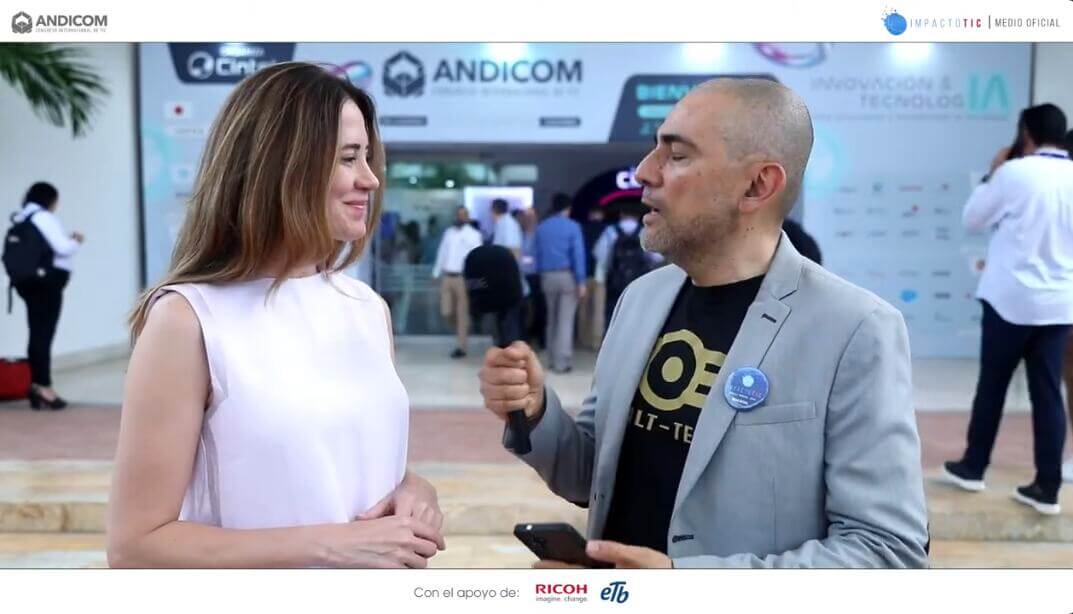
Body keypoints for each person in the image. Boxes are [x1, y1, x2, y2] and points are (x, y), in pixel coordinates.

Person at [478, 78, 928, 568]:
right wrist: (536, 412)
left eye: (677, 155)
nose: (643, 172)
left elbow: (887, 551)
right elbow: (592, 477)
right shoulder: (641, 300)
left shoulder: (855, 329)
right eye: (655, 149)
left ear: (757, 185)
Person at [107, 62, 445, 568]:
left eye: (368, 158)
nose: (370, 179)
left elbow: (339, 461)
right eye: (348, 158)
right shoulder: (188, 320)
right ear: (282, 166)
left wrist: (414, 489)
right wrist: (333, 545)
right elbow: (136, 546)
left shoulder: (366, 309)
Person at [943, 104, 1073, 513]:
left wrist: (993, 172)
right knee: (1048, 394)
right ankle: (1047, 487)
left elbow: (972, 218)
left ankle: (973, 468)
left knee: (993, 386)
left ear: (1026, 133)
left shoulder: (1014, 172)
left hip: (1009, 300)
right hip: (1059, 305)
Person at [9, 182, 84, 410]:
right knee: (43, 334)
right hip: (47, 284)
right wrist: (75, 241)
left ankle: (36, 385)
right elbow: (62, 248)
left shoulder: (22, 217)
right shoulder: (43, 217)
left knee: (37, 332)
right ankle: (43, 387)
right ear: (50, 199)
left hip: (28, 283)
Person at [533, 194, 586, 374]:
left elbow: (536, 253)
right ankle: (562, 362)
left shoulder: (542, 227)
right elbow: (578, 255)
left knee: (551, 319)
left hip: (547, 276)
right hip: (566, 276)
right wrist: (581, 281)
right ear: (568, 208)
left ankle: (550, 358)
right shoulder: (573, 227)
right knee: (565, 320)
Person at [593, 202, 663, 331]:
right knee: (638, 315)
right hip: (639, 281)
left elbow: (600, 255)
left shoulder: (610, 231)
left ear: (621, 214)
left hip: (615, 282)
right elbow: (657, 258)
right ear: (638, 216)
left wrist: (602, 277)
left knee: (612, 315)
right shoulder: (643, 232)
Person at [432, 206, 483, 358]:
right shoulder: (449, 233)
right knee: (446, 311)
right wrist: (435, 272)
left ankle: (462, 346)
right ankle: (462, 332)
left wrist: (476, 279)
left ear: (467, 217)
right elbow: (442, 252)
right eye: (458, 215)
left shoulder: (474, 235)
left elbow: (477, 257)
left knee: (462, 313)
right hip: (447, 276)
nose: (460, 217)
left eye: (463, 215)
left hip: (463, 278)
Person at [490, 198, 526, 346]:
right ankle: (505, 346)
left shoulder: (508, 225)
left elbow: (514, 251)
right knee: (503, 317)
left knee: (509, 318)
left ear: (494, 210)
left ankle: (511, 349)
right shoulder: (501, 224)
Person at [577, 205, 607, 350]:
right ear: (601, 214)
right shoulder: (606, 229)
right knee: (598, 310)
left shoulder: (581, 228)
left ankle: (584, 339)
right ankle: (596, 341)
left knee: (583, 309)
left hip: (584, 273)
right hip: (600, 274)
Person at [518, 207, 546, 349]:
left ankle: (541, 339)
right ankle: (526, 338)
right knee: (524, 309)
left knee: (539, 308)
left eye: (531, 216)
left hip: (537, 275)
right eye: (526, 216)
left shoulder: (540, 233)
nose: (529, 219)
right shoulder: (519, 233)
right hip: (522, 275)